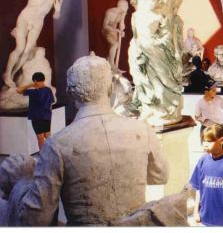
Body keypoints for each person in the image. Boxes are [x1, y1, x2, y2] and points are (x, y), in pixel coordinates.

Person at [2, 54, 169, 225]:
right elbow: (160, 176)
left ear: (69, 93)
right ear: (110, 88)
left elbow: (36, 219)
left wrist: (23, 181)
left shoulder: (57, 145)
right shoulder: (142, 129)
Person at [3, 0, 64, 88]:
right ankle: (7, 73)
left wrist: (58, 10)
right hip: (26, 16)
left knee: (28, 49)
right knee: (20, 48)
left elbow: (56, 17)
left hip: (38, 21)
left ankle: (12, 76)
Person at [16, 72, 54, 150]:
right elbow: (51, 103)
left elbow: (18, 90)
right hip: (46, 116)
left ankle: (43, 155)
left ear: (35, 81)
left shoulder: (33, 92)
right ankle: (53, 152)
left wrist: (31, 85)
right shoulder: (49, 90)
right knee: (47, 135)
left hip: (36, 117)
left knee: (40, 137)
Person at [102, 0, 129, 72]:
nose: (128, 8)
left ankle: (109, 65)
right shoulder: (110, 12)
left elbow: (122, 26)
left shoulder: (122, 13)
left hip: (114, 32)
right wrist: (117, 30)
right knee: (115, 44)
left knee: (114, 48)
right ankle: (112, 64)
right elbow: (105, 26)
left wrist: (122, 31)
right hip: (107, 31)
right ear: (122, 6)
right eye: (126, 6)